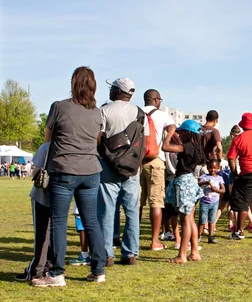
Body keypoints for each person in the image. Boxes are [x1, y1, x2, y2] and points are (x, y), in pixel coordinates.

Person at [32, 66, 105, 287]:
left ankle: (57, 273)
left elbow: (48, 139)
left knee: (59, 222)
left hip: (64, 170)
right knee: (91, 221)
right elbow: (97, 140)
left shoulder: (59, 107)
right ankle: (98, 270)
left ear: (73, 82)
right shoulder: (96, 113)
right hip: (91, 172)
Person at [97, 77, 148, 267]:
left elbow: (98, 137)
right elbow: (145, 143)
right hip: (132, 168)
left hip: (108, 165)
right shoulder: (140, 113)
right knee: (131, 210)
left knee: (107, 210)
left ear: (118, 91)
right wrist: (136, 163)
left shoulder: (104, 110)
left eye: (112, 88)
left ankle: (106, 253)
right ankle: (130, 253)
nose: (109, 91)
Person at [138, 89, 176, 251]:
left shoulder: (136, 112)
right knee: (156, 203)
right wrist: (167, 141)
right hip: (156, 160)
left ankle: (133, 239)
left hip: (137, 162)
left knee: (137, 203)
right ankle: (155, 241)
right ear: (156, 100)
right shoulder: (162, 115)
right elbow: (173, 129)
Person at [163, 120, 205, 262]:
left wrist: (169, 133)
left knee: (185, 221)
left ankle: (182, 255)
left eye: (181, 132)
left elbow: (165, 147)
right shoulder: (193, 146)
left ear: (187, 133)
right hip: (191, 182)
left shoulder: (186, 147)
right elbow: (178, 142)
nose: (179, 134)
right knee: (190, 220)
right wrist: (174, 133)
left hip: (184, 183)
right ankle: (194, 252)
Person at [15, 142, 52, 282]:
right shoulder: (75, 146)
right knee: (55, 233)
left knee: (42, 233)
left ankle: (37, 269)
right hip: (62, 197)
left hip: (43, 196)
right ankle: (51, 266)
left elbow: (35, 172)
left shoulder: (47, 147)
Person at [198, 159, 225, 244]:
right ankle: (199, 235)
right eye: (210, 168)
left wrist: (216, 190)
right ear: (207, 167)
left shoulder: (219, 178)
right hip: (204, 202)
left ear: (218, 168)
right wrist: (205, 182)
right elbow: (198, 184)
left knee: (212, 220)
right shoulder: (204, 176)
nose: (212, 170)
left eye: (215, 168)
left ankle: (211, 236)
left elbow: (223, 190)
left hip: (214, 202)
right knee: (202, 219)